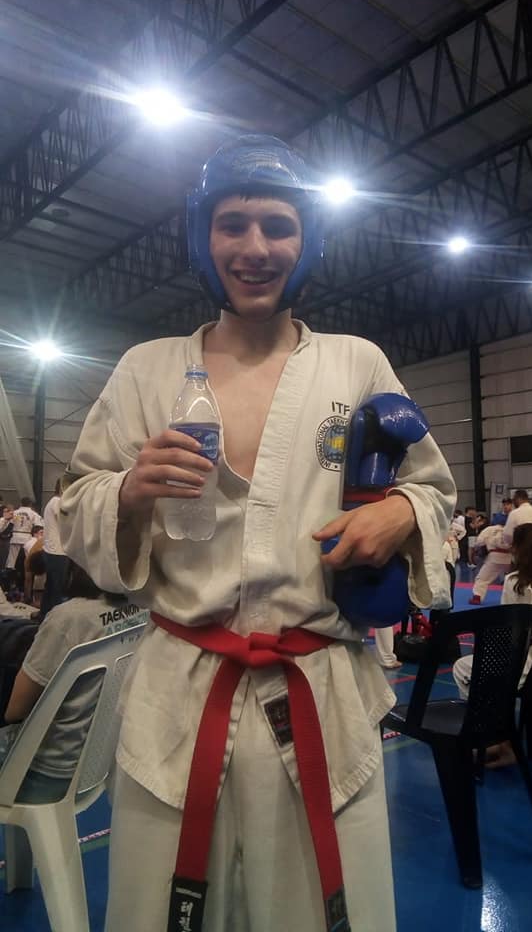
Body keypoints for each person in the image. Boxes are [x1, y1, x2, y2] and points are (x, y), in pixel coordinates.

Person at [59, 134, 455, 932]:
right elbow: (74, 503)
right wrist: (128, 489)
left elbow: (435, 489)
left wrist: (403, 512)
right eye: (232, 224)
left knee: (319, 909)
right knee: (156, 909)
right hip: (178, 696)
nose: (256, 247)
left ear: (308, 242)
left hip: (321, 689)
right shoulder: (146, 368)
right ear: (201, 236)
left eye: (279, 226)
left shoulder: (355, 362)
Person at [0, 561, 149, 803]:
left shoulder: (68, 618)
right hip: (104, 762)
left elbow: (15, 710)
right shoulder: (144, 609)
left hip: (45, 771)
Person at [453, 523, 532, 767]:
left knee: (466, 669)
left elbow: (509, 634)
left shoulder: (516, 581)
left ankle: (497, 739)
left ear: (519, 549)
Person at [40, 478, 69, 618]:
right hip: (58, 552)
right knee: (59, 589)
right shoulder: (58, 502)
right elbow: (66, 522)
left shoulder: (52, 502)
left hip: (51, 551)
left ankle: (44, 615)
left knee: (50, 588)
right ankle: (56, 620)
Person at [468, 518, 512, 604]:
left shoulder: (489, 529)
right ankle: (514, 598)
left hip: (494, 557)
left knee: (482, 578)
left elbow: (479, 542)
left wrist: (476, 549)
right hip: (509, 557)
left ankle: (477, 597)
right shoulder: (511, 530)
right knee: (513, 578)